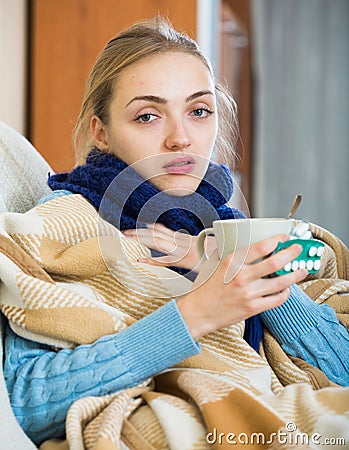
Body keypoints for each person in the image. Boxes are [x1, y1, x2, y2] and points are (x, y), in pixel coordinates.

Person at [4, 16, 349, 445]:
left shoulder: (226, 228)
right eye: (148, 116)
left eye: (199, 111)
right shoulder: (58, 227)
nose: (181, 138)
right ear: (102, 133)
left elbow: (342, 372)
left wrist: (226, 265)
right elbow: (22, 405)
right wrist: (195, 315)